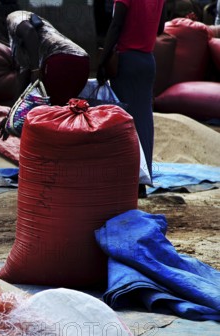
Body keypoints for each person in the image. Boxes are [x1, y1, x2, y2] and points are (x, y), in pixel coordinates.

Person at [97, 0, 166, 198]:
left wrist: (102, 61)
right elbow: (160, 27)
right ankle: (141, 181)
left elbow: (116, 25)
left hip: (126, 61)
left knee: (124, 123)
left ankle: (127, 181)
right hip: (147, 61)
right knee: (144, 121)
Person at [5, 11, 90, 106]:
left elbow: (29, 31)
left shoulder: (14, 16)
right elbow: (24, 74)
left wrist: (35, 70)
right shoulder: (22, 42)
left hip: (61, 60)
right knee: (64, 110)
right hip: (82, 60)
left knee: (53, 111)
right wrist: (13, 108)